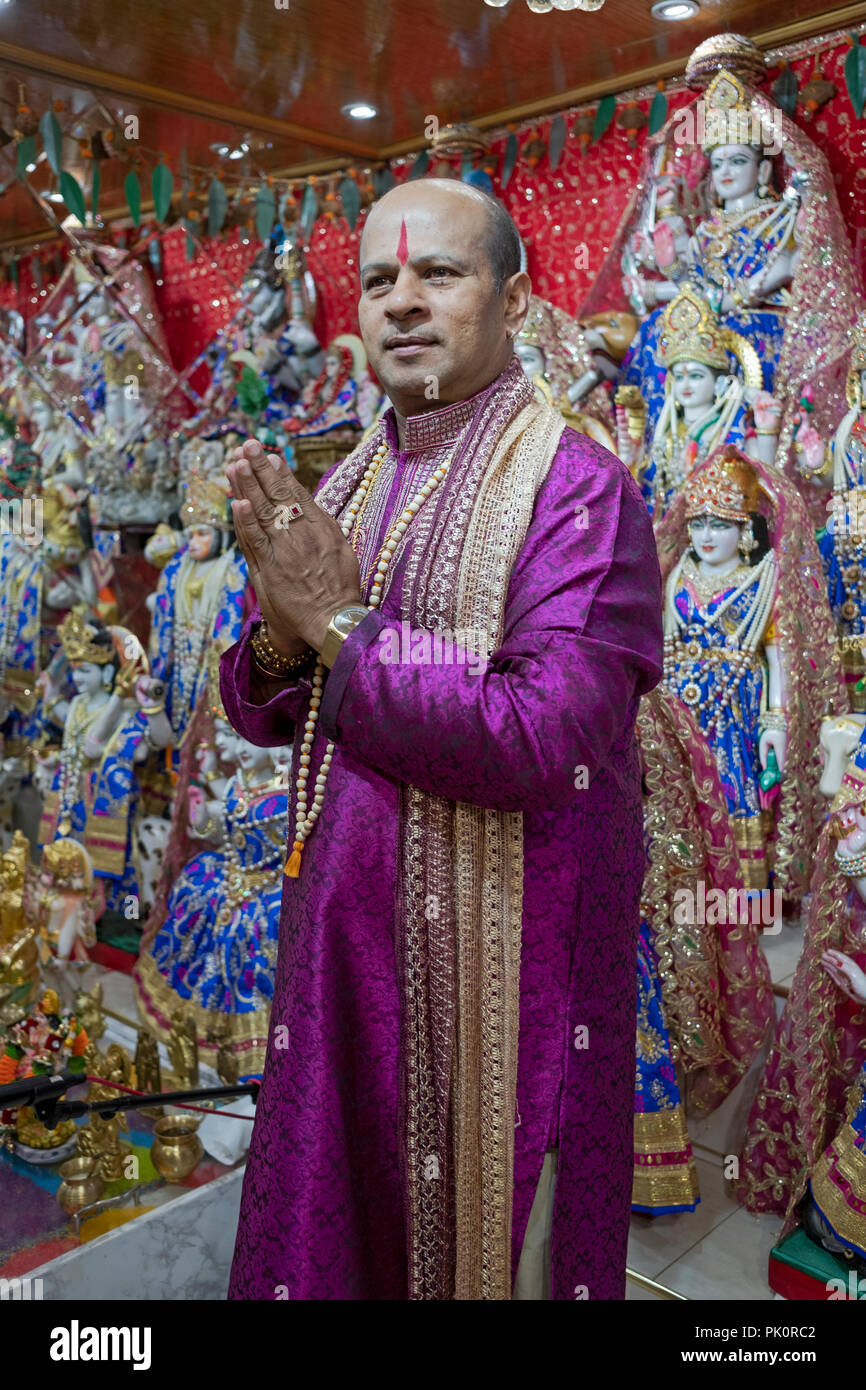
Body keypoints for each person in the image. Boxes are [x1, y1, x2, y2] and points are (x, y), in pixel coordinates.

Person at [220, 178, 663, 1301]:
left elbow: (537, 735)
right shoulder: (356, 477)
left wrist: (333, 623)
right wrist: (283, 637)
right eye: (377, 280)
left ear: (512, 297)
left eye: (438, 273)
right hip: (344, 975)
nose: (402, 302)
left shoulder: (579, 496)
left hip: (497, 1007)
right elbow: (260, 704)